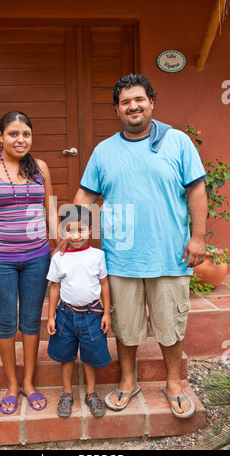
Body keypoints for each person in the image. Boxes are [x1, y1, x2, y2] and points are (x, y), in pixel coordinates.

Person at [71, 74, 208, 418]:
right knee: (126, 326)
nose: (133, 106)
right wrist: (69, 232)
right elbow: (86, 194)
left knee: (169, 325)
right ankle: (128, 381)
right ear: (117, 109)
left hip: (169, 255)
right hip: (122, 258)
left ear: (151, 103)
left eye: (139, 99)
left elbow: (196, 190)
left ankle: (173, 383)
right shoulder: (104, 151)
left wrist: (198, 237)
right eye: (125, 102)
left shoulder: (177, 142)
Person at [0, 111, 58, 414]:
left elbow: (50, 211)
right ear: (0, 136)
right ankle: (11, 384)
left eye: (26, 134)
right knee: (6, 322)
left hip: (37, 258)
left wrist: (57, 244)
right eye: (13, 134)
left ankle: (29, 382)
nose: (20, 140)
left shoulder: (40, 168)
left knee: (31, 321)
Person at [46, 205, 111, 417]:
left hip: (92, 315)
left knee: (91, 356)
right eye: (70, 230)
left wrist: (107, 313)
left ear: (90, 231)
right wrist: (51, 316)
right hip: (65, 315)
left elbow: (104, 284)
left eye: (81, 230)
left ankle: (91, 393)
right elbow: (54, 287)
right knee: (66, 355)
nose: (76, 236)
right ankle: (67, 392)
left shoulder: (97, 255)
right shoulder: (59, 258)